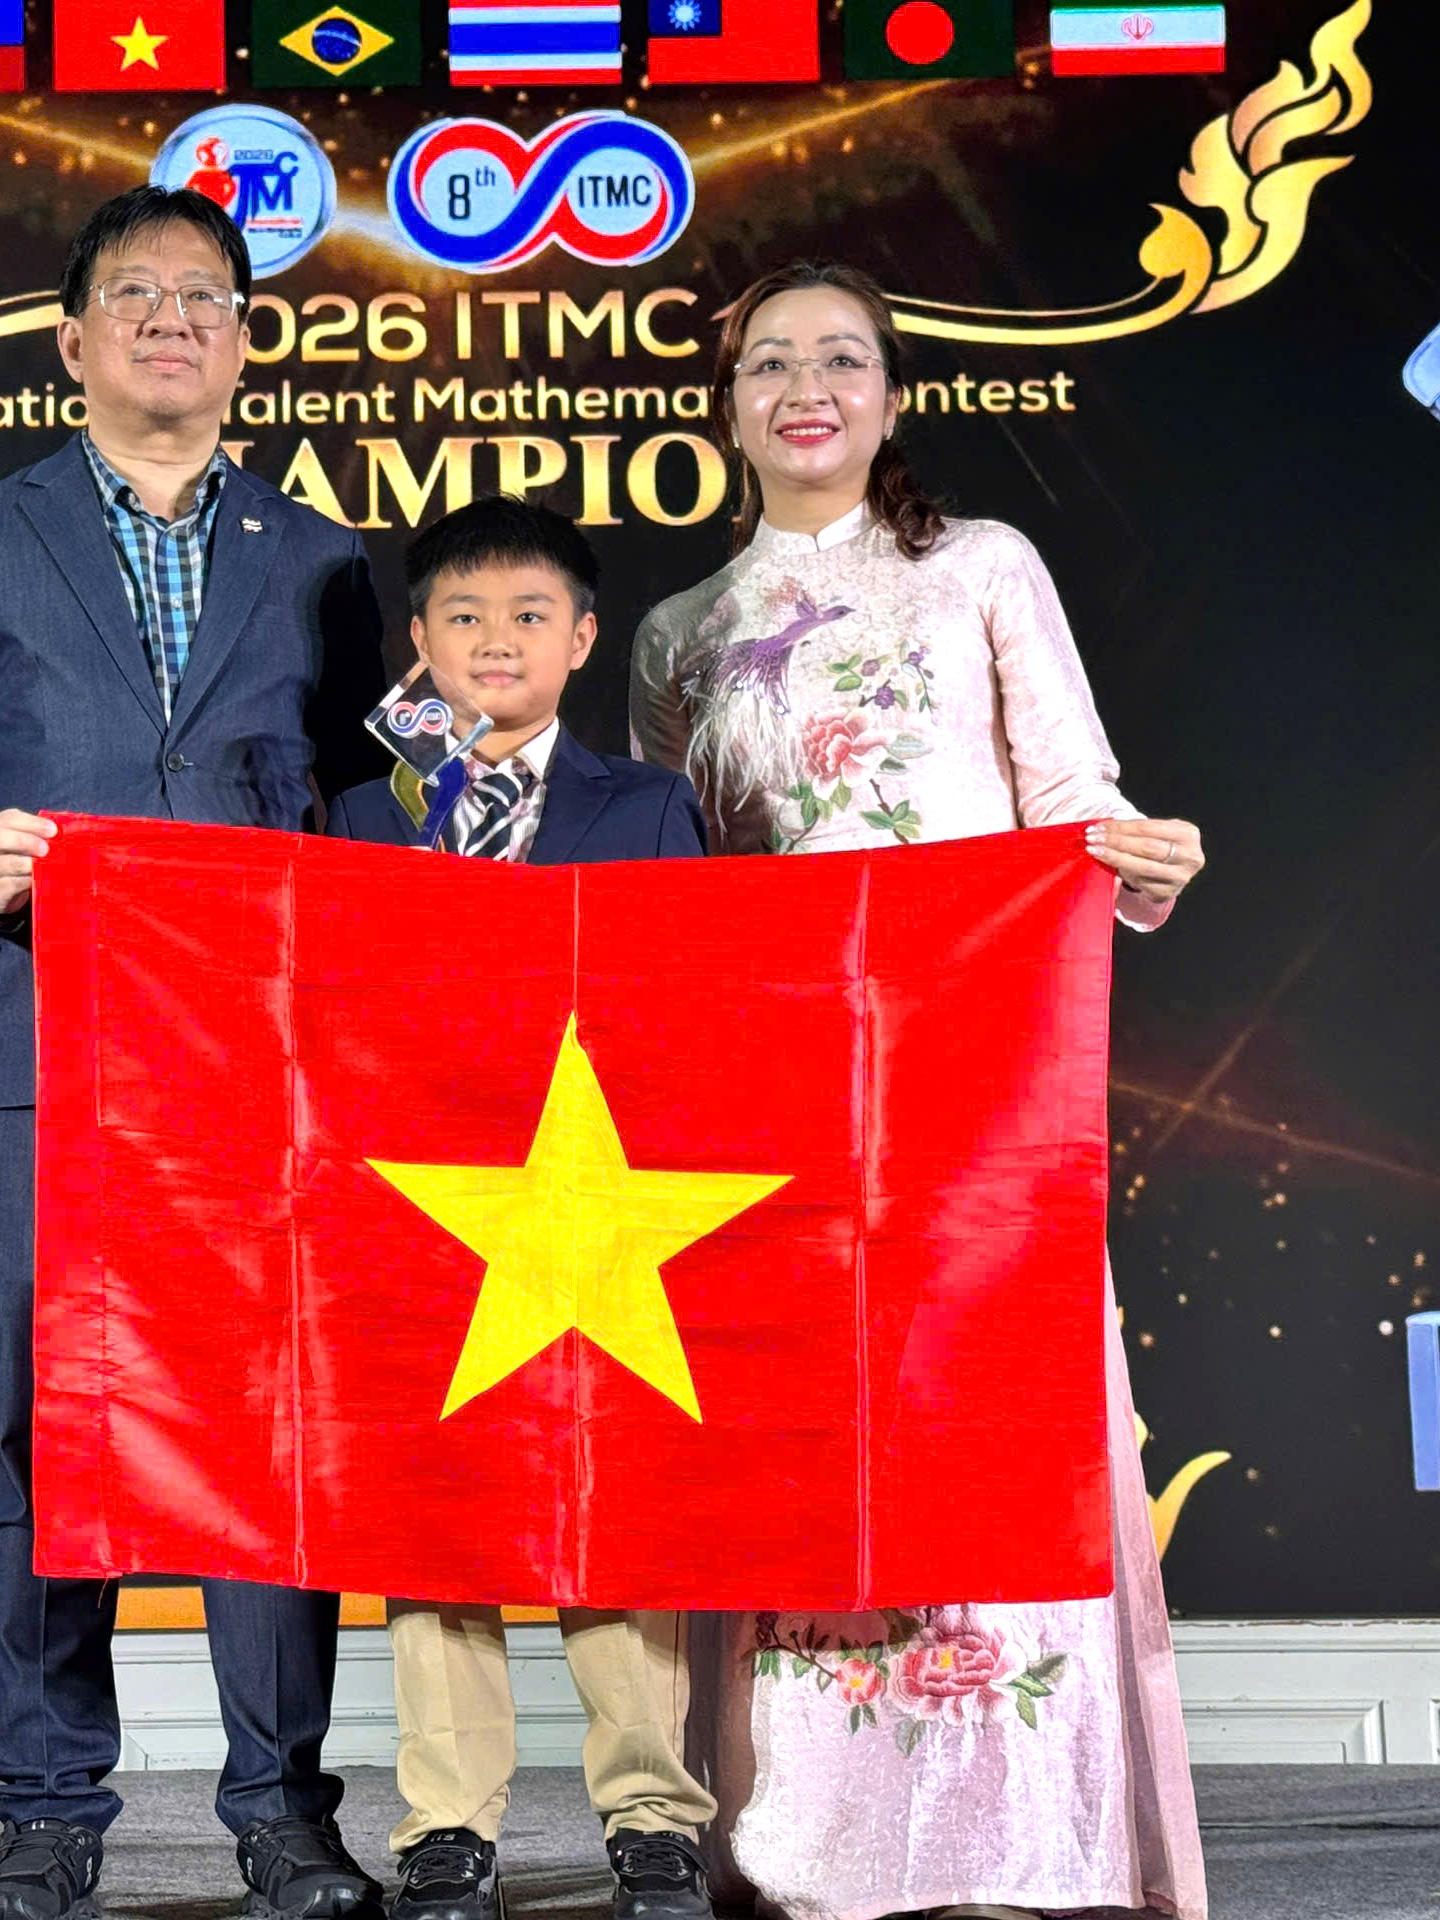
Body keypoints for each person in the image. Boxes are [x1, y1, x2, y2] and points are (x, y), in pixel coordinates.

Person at [629, 261, 1211, 1920]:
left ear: (890, 396)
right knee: (805, 1442)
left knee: (992, 1419)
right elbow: (668, 893)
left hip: (976, 1074)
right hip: (779, 1096)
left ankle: (1025, 1838)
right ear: (726, 405)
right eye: (769, 363)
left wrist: (1143, 866)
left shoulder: (982, 568)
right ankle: (804, 1840)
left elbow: (1073, 800)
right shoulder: (678, 635)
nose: (805, 389)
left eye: (842, 360)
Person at [0, 185, 388, 1920]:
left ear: (245, 343)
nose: (174, 317)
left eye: (207, 296)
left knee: (264, 1437)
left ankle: (282, 1816)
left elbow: (359, 797)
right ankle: (46, 1816)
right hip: (45, 1052)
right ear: (72, 340)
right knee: (45, 1440)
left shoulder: (319, 560)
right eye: (138, 293)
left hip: (261, 1069)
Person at [327, 497, 716, 1920]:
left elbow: (697, 1001)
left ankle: (653, 1816)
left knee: (617, 1504)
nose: (498, 641)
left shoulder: (646, 805)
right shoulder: (364, 809)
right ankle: (447, 1824)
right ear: (419, 639)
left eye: (531, 615)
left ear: (585, 639)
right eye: (466, 617)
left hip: (601, 1192)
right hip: (430, 1204)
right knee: (436, 1516)